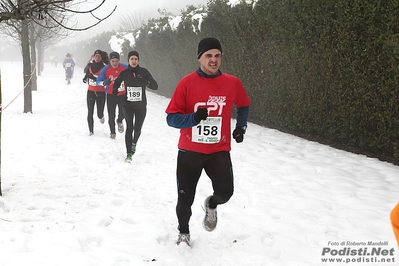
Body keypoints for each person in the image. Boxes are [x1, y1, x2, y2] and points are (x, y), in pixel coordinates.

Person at [165, 37, 251, 246]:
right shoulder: (186, 83)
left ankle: (211, 205)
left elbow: (244, 105)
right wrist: (193, 118)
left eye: (217, 55)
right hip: (190, 152)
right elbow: (171, 118)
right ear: (200, 58)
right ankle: (184, 233)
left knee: (225, 193)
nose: (213, 60)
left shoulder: (232, 83)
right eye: (209, 55)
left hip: (218, 150)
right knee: (185, 199)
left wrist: (241, 127)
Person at [113, 51, 158, 162]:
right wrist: (115, 89)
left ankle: (134, 143)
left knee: (137, 128)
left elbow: (155, 86)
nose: (134, 61)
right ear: (128, 60)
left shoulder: (144, 72)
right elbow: (117, 82)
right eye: (132, 58)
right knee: (129, 127)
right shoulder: (124, 73)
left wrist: (145, 82)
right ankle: (128, 154)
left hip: (141, 106)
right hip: (127, 105)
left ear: (138, 60)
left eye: (136, 59)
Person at [96, 51, 128, 139]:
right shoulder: (106, 69)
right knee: (111, 115)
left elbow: (134, 70)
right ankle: (112, 132)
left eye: (116, 61)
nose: (115, 63)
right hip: (111, 95)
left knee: (123, 112)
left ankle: (120, 121)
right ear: (110, 61)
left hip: (122, 94)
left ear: (119, 61)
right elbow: (98, 81)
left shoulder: (124, 67)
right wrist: (104, 83)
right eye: (113, 61)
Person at [83, 49, 107, 136]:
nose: (97, 58)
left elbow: (105, 80)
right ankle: (91, 131)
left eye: (99, 56)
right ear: (93, 57)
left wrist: (94, 78)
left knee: (99, 113)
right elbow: (86, 74)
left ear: (101, 58)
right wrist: (85, 79)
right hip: (91, 91)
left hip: (101, 92)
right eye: (96, 56)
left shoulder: (104, 67)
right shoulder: (89, 65)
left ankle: (101, 116)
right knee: (90, 112)